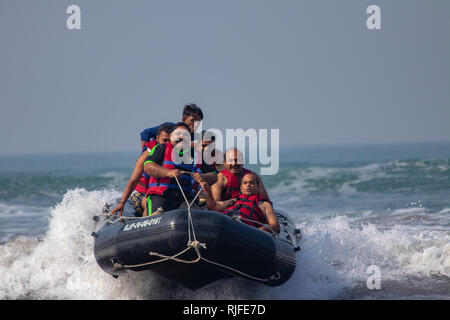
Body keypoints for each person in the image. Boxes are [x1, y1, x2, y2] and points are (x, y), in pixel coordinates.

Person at [143, 122, 217, 215]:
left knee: (195, 215)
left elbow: (214, 175)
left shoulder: (196, 155)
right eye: (178, 134)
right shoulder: (161, 148)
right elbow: (148, 166)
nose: (181, 137)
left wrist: (203, 177)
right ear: (171, 136)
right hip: (160, 196)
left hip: (184, 199)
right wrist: (168, 173)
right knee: (158, 214)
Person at [111, 123, 175, 216]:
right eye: (164, 140)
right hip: (141, 194)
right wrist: (122, 203)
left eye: (170, 141)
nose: (167, 144)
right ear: (157, 139)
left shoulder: (177, 155)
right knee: (148, 201)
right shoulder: (147, 155)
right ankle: (146, 224)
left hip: (164, 194)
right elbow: (133, 180)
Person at [201, 172, 280, 234]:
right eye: (245, 183)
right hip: (225, 227)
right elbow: (213, 207)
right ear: (241, 187)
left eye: (252, 183)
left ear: (257, 186)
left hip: (245, 232)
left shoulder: (264, 204)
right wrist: (208, 192)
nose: (248, 185)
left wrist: (265, 229)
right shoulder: (234, 201)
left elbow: (275, 227)